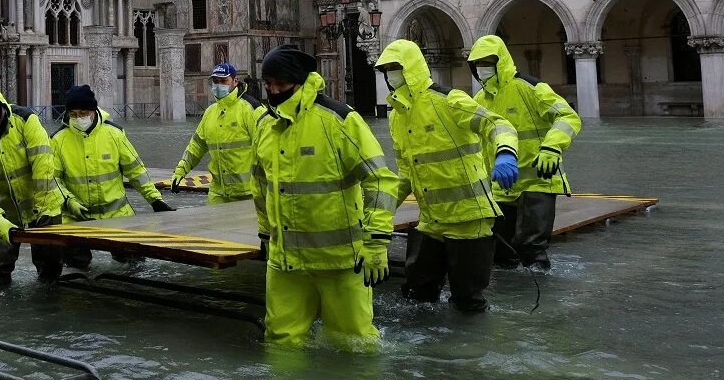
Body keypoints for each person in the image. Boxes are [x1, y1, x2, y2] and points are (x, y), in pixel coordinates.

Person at [251, 46, 400, 348]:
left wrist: (377, 240)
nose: (274, 92)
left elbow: (381, 179)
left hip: (340, 261)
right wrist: (266, 235)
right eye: (268, 85)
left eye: (281, 85)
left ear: (300, 81)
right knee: (281, 342)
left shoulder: (338, 120)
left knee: (353, 343)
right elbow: (261, 185)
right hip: (285, 262)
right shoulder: (264, 124)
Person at [374, 39, 518, 314]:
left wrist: (506, 152)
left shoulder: (449, 100)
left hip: (469, 219)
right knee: (417, 296)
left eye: (397, 67)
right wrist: (378, 212)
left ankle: (472, 351)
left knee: (468, 301)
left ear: (412, 68)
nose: (392, 75)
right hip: (432, 221)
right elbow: (405, 173)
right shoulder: (397, 117)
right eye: (387, 69)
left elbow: (497, 124)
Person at [467, 34, 582, 271]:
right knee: (501, 252)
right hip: (502, 185)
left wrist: (552, 146)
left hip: (538, 181)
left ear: (500, 61)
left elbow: (568, 116)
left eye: (487, 62)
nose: (482, 68)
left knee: (530, 247)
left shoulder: (529, 87)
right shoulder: (479, 99)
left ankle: (544, 297)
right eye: (477, 63)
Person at [51, 84, 173, 269]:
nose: (78, 118)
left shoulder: (114, 134)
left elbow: (136, 171)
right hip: (76, 216)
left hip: (118, 216)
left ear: (93, 111)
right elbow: (53, 180)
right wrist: (69, 202)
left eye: (83, 113)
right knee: (76, 268)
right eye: (73, 114)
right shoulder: (58, 140)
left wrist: (155, 200)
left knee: (134, 267)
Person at [0, 78, 65, 287]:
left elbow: (43, 164)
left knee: (50, 267)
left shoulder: (26, 120)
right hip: (6, 209)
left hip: (44, 205)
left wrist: (43, 208)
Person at [170, 62, 265, 204]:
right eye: (215, 81)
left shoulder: (252, 109)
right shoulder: (210, 112)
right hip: (218, 193)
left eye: (223, 81)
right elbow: (196, 147)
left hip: (250, 193)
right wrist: (180, 171)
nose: (219, 85)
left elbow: (269, 149)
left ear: (235, 81)